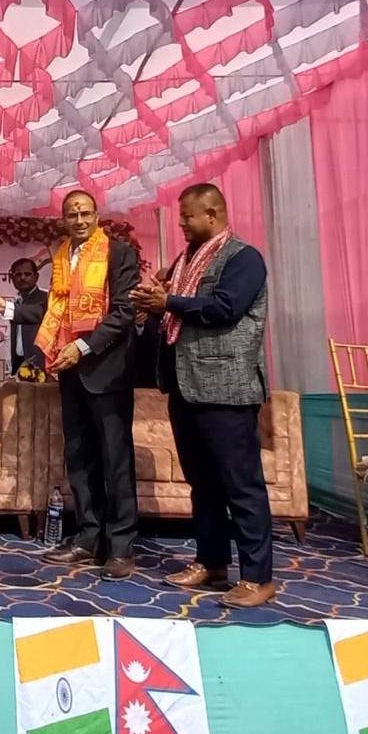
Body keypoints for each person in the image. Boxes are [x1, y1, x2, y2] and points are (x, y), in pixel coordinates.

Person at [132, 182, 276, 608]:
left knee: (241, 486)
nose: (181, 224)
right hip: (185, 387)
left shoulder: (243, 258)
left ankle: (257, 577)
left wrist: (169, 302)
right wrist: (152, 303)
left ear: (212, 214)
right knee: (203, 484)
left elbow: (225, 308)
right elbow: (172, 309)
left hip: (227, 389)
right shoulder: (185, 260)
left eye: (187, 217)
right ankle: (212, 562)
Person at [36, 190, 141, 580]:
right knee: (79, 457)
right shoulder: (62, 257)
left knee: (116, 460)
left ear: (97, 216)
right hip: (70, 371)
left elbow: (125, 311)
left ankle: (121, 546)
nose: (78, 220)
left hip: (107, 371)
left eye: (84, 213)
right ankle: (88, 537)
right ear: (63, 220)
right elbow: (56, 308)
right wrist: (9, 308)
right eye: (71, 214)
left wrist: (82, 347)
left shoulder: (118, 252)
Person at [0, 257, 47, 375]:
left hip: (40, 365)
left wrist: (5, 306)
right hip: (17, 363)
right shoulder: (16, 301)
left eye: (27, 274)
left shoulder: (47, 298)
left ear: (36, 277)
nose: (22, 278)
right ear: (11, 278)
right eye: (18, 274)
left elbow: (38, 313)